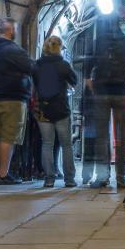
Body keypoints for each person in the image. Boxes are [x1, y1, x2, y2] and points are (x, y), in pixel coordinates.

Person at [86, 13, 125, 189]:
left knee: (102, 137)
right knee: (121, 138)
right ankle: (121, 178)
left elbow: (88, 69)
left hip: (101, 93)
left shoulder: (98, 42)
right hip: (120, 94)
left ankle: (102, 178)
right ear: (120, 24)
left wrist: (94, 88)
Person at [0, 17, 33, 185]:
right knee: (8, 137)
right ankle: (3, 174)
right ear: (11, 31)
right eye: (14, 28)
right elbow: (31, 67)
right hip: (13, 99)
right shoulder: (13, 50)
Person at [32, 35, 78, 188]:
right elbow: (74, 81)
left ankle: (49, 179)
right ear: (59, 48)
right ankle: (69, 180)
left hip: (43, 110)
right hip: (61, 110)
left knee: (47, 144)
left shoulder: (37, 65)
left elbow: (35, 83)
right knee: (66, 145)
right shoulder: (63, 65)